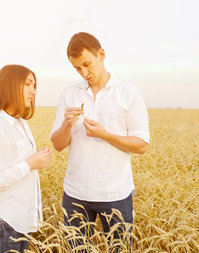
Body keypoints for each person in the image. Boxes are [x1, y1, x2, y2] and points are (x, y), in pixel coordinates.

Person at [50, 32, 150, 252]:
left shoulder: (128, 93)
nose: (84, 73)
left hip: (115, 194)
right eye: (77, 68)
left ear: (101, 54)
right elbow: (57, 145)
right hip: (75, 194)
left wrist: (106, 135)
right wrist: (67, 124)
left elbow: (141, 145)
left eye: (87, 64)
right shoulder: (69, 93)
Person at [0, 64, 52, 253]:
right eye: (28, 84)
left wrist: (35, 158)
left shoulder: (21, 123)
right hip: (3, 222)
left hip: (20, 220)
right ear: (10, 86)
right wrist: (30, 163)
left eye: (34, 86)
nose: (33, 91)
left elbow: (20, 162)